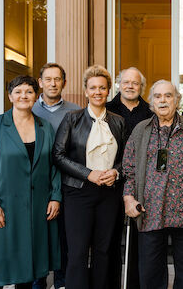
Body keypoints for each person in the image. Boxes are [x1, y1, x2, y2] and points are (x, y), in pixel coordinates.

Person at [122, 80, 183, 289]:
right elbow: (129, 169)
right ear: (151, 102)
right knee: (150, 268)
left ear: (177, 100)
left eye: (168, 95)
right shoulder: (141, 130)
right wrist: (129, 198)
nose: (163, 100)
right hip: (149, 210)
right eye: (157, 96)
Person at [53, 65, 127, 289]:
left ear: (108, 91)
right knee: (78, 251)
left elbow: (127, 160)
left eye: (102, 88)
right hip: (78, 192)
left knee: (104, 251)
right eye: (93, 87)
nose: (97, 92)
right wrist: (89, 174)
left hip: (109, 194)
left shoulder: (118, 121)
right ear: (85, 91)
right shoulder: (71, 119)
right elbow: (58, 155)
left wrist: (116, 172)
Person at [0, 75, 61, 289]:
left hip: (37, 209)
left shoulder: (45, 127)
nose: (23, 96)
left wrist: (55, 197)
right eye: (18, 92)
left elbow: (54, 165)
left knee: (30, 269)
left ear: (36, 96)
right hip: (4, 208)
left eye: (28, 92)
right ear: (10, 96)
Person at [32, 62, 80, 289]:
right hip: (36, 186)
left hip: (67, 183)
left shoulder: (75, 111)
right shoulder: (28, 109)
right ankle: (37, 282)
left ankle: (62, 283)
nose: (53, 83)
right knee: (37, 238)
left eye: (57, 79)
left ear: (64, 83)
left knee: (64, 238)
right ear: (40, 83)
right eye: (48, 79)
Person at [105, 67, 153, 289]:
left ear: (141, 86)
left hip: (142, 182)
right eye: (126, 82)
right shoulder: (106, 109)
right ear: (119, 84)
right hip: (111, 181)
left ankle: (135, 284)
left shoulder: (150, 111)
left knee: (139, 238)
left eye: (135, 83)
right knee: (109, 237)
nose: (130, 86)